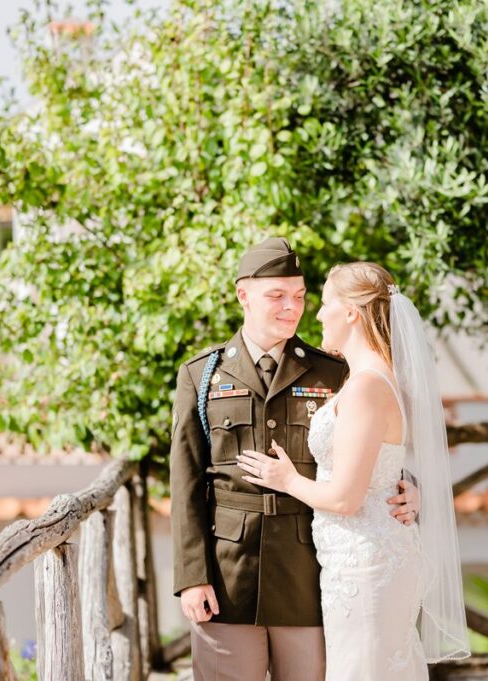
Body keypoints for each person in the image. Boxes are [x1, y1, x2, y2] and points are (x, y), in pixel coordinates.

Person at [169, 239, 420, 681]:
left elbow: (375, 444)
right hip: (228, 574)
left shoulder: (335, 370)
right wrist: (192, 576)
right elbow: (185, 482)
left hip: (308, 574)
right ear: (243, 295)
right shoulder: (201, 375)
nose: (293, 307)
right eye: (277, 296)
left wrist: (408, 485)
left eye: (301, 296)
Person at [238, 261, 471, 680]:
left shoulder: (366, 387)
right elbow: (382, 466)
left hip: (366, 566)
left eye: (325, 303)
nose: (317, 313)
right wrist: (410, 488)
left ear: (350, 313)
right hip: (364, 559)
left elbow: (346, 498)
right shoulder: (373, 379)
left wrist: (286, 479)